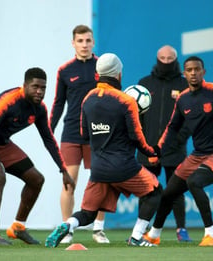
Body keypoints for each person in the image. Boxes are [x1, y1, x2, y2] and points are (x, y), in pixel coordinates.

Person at [45, 53, 162, 248]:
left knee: (88, 213)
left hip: (99, 168)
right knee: (156, 192)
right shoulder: (126, 101)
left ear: (98, 74)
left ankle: (68, 224)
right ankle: (136, 237)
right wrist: (152, 152)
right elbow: (137, 137)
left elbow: (83, 134)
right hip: (123, 166)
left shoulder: (87, 99)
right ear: (118, 75)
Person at [0, 67, 75, 246]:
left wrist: (63, 170)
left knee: (36, 179)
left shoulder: (40, 109)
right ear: (24, 86)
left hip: (0, 143)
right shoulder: (7, 102)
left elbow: (49, 140)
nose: (39, 91)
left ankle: (18, 227)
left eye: (43, 88)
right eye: (35, 86)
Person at [143, 56, 213, 247]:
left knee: (194, 182)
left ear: (203, 72)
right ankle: (154, 234)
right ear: (184, 74)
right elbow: (172, 128)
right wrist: (157, 151)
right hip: (198, 155)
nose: (193, 73)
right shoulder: (183, 99)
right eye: (189, 70)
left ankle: (211, 235)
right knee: (168, 193)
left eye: (197, 69)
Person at [49, 24, 109, 244]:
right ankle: (67, 228)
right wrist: (49, 129)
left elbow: (114, 97)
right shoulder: (65, 70)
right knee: (69, 183)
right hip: (72, 133)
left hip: (99, 133)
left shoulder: (104, 66)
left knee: (101, 181)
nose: (84, 45)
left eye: (88, 40)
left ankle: (99, 229)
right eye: (80, 41)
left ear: (93, 42)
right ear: (73, 43)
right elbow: (58, 103)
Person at [137, 45, 192, 242]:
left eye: (170, 58)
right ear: (157, 59)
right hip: (148, 148)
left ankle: (181, 230)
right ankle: (141, 229)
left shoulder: (185, 85)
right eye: (163, 58)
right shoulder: (144, 83)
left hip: (174, 149)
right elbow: (136, 117)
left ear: (176, 60)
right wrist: (143, 143)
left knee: (176, 190)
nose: (166, 62)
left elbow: (190, 119)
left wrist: (177, 140)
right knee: (146, 190)